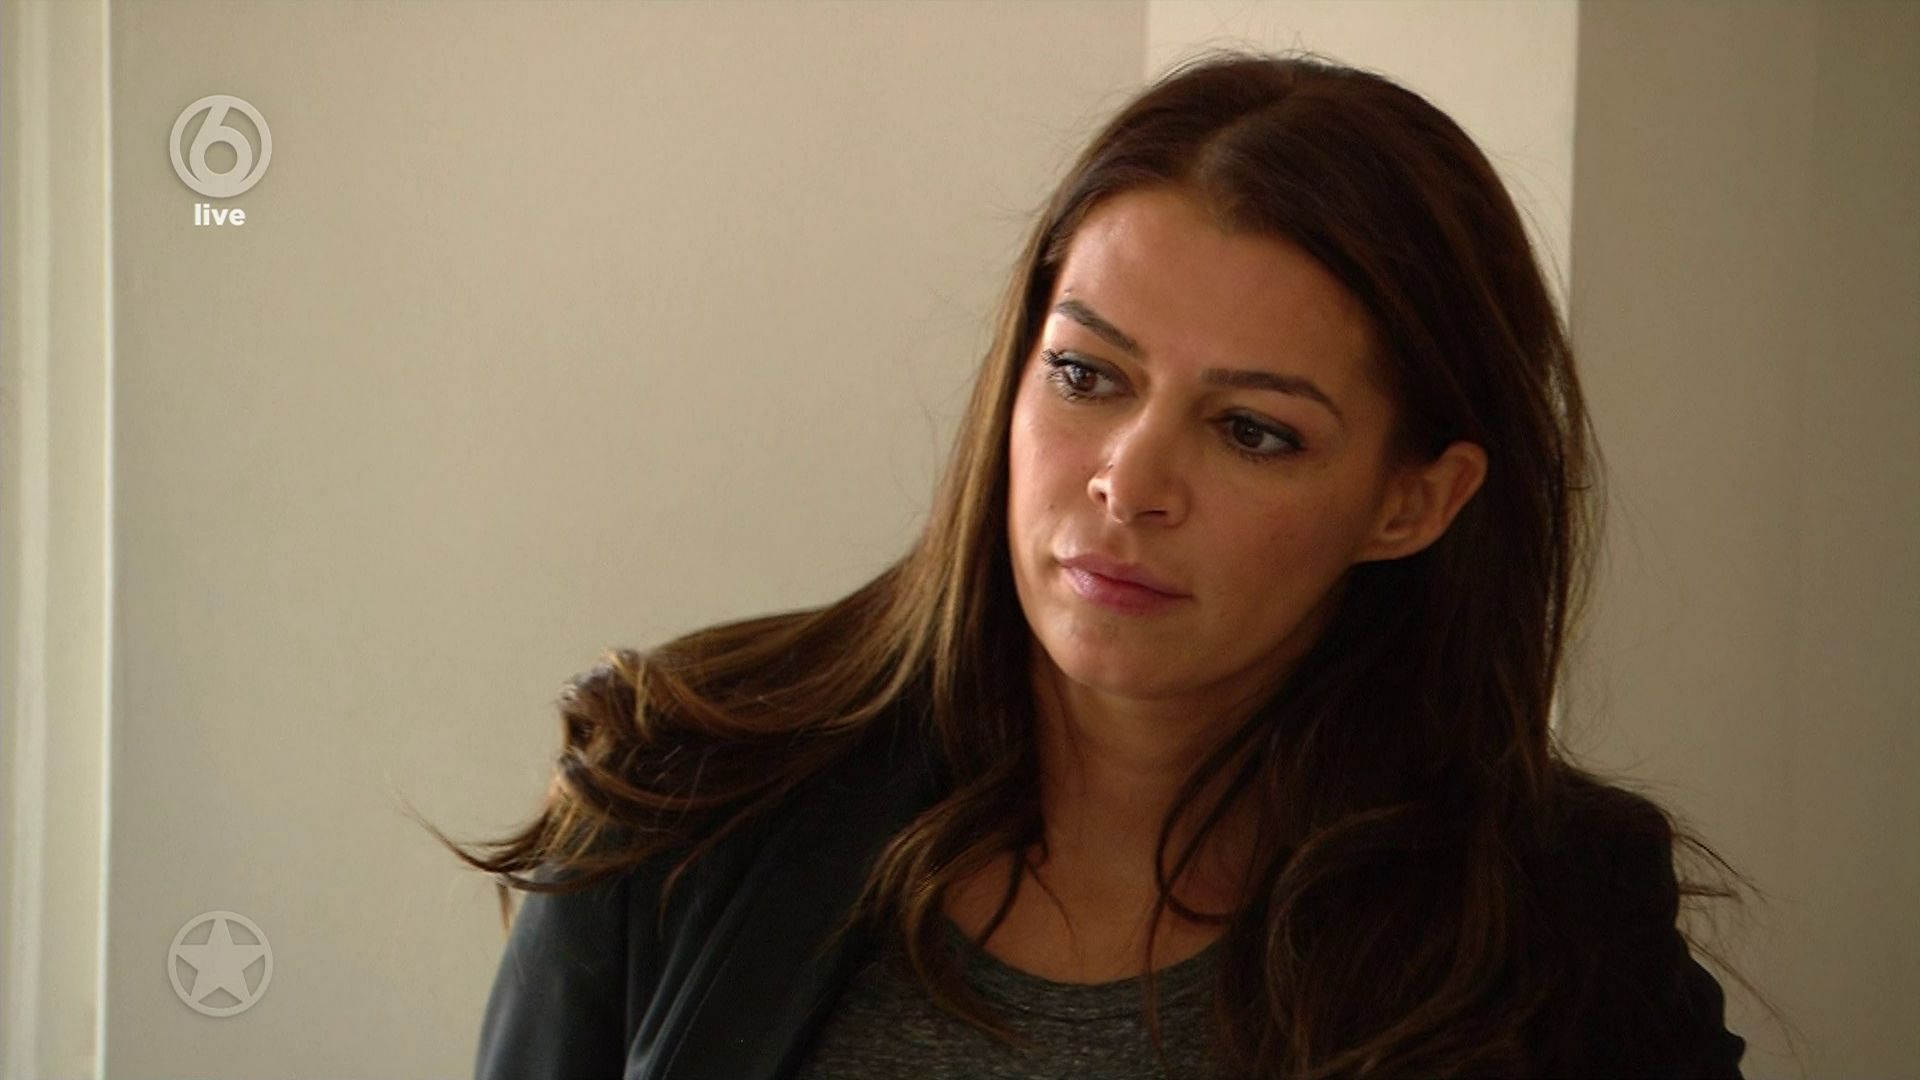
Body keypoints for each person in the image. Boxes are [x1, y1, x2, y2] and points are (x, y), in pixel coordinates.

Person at [431, 48, 1756, 1079]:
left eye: (1252, 430)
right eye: (1085, 375)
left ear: (1413, 502)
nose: (1130, 480)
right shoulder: (681, 782)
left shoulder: (1555, 920)